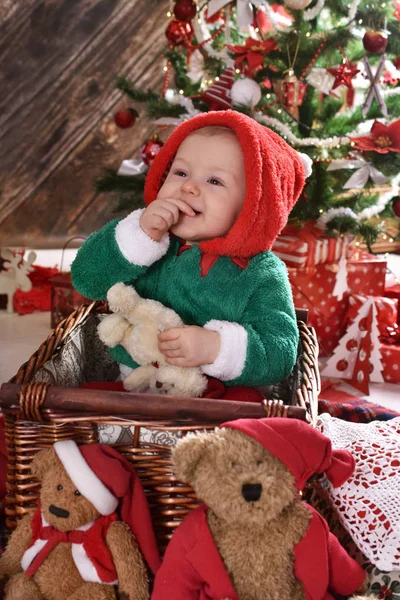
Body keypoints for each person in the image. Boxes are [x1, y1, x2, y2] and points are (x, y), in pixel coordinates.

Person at [71, 110, 311, 394]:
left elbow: (279, 353)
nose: (188, 187)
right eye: (181, 172)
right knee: (85, 398)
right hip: (136, 383)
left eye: (214, 181)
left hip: (216, 396)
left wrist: (214, 348)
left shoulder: (262, 273)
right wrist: (139, 234)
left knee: (249, 417)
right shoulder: (149, 237)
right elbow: (86, 279)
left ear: (254, 207)